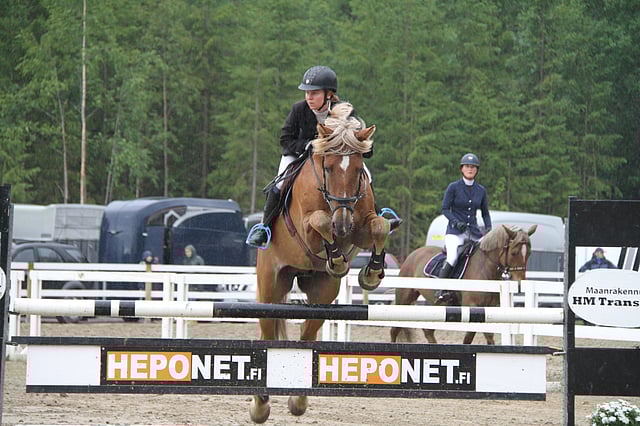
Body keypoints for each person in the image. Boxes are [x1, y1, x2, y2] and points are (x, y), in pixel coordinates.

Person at [246, 65, 401, 248]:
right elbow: (285, 139)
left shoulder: (344, 111)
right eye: (307, 93)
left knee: (366, 173)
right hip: (299, 154)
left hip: (336, 158)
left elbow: (360, 140)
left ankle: (377, 212)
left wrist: (360, 145)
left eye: (314, 93)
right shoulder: (299, 109)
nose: (309, 97)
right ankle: (264, 227)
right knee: (280, 183)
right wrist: (307, 145)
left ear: (329, 94)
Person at [435, 153, 492, 305]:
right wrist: (455, 222)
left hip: (474, 233)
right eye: (467, 166)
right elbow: (445, 209)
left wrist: (488, 228)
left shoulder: (481, 190)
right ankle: (440, 290)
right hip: (455, 232)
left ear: (476, 170)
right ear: (462, 169)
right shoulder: (453, 187)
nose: (470, 169)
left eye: (473, 167)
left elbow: (485, 213)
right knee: (453, 257)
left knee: (487, 256)